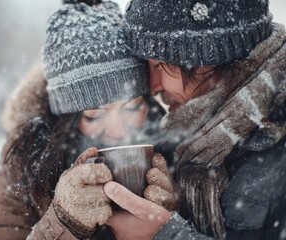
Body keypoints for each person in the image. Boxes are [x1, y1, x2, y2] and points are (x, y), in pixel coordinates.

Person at [0, 1, 178, 239]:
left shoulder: (174, 144)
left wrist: (167, 222)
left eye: (132, 107)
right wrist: (65, 224)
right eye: (94, 114)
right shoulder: (25, 159)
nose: (118, 131)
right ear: (65, 120)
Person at [104, 0, 286, 239]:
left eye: (159, 65)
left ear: (206, 61)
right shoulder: (189, 134)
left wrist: (164, 235)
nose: (153, 86)